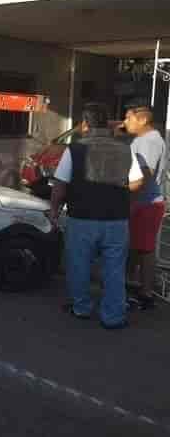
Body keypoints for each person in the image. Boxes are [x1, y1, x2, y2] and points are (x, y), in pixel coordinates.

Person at [49, 103, 144, 330]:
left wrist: (54, 211)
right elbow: (137, 182)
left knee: (79, 264)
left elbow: (60, 186)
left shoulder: (74, 149)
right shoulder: (125, 149)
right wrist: (122, 199)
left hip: (82, 218)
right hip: (116, 220)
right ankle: (113, 316)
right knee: (114, 269)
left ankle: (82, 308)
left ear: (85, 124)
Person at [122, 103, 167, 310]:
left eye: (128, 118)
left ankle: (146, 293)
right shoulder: (145, 139)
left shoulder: (148, 142)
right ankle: (132, 284)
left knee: (145, 249)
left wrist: (131, 201)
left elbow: (144, 176)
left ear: (142, 120)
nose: (125, 122)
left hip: (146, 203)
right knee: (136, 247)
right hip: (143, 202)